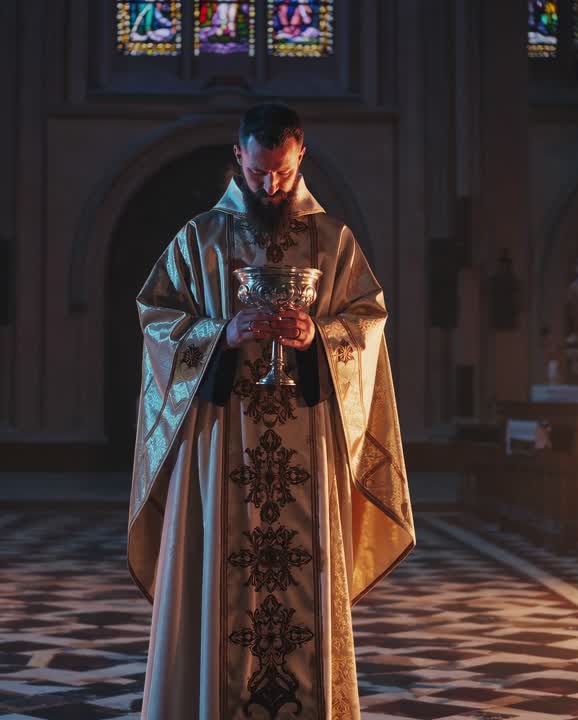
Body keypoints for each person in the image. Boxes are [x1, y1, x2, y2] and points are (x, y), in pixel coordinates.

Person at [128, 103, 414, 719]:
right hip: (222, 437)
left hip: (304, 441)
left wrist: (318, 338)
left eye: (281, 171)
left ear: (300, 157)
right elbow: (156, 319)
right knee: (220, 585)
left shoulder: (333, 241)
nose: (270, 185)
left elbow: (366, 324)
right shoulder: (200, 238)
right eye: (258, 172)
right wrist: (221, 336)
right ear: (239, 159)